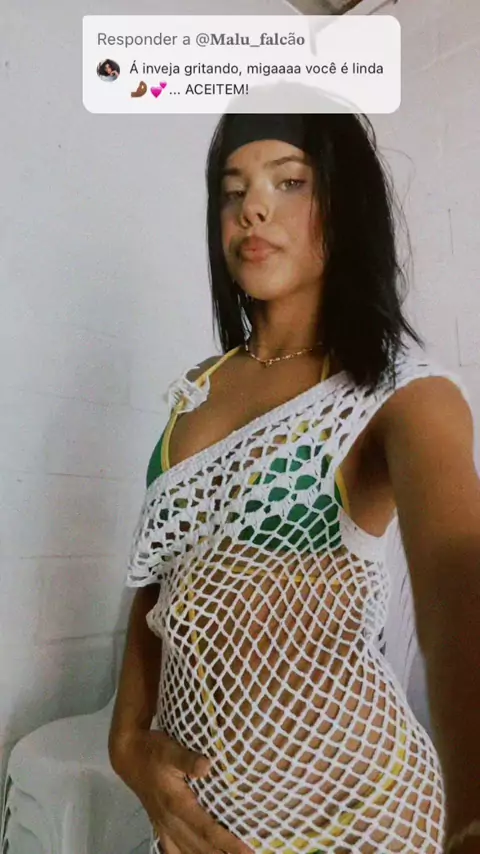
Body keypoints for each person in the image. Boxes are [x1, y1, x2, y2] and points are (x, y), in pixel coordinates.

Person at [108, 104, 480, 854]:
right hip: (206, 820)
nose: (253, 207)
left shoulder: (399, 394)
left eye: (290, 182)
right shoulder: (196, 391)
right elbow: (160, 583)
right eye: (233, 189)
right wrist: (126, 744)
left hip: (361, 817)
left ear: (346, 205)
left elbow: (460, 590)